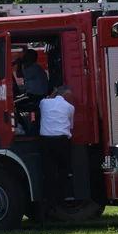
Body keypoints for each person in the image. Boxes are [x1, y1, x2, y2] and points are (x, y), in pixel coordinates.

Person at [39, 85, 75, 219]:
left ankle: (47, 203)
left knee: (48, 173)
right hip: (62, 141)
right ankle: (59, 200)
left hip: (46, 141)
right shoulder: (70, 107)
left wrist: (53, 92)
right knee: (63, 171)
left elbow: (47, 99)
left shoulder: (44, 103)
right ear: (66, 96)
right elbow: (71, 126)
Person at [14, 49, 49, 133]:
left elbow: (19, 74)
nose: (23, 58)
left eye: (25, 56)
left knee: (13, 106)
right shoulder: (32, 68)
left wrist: (19, 64)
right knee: (15, 100)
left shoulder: (34, 68)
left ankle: (24, 128)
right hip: (32, 95)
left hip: (37, 98)